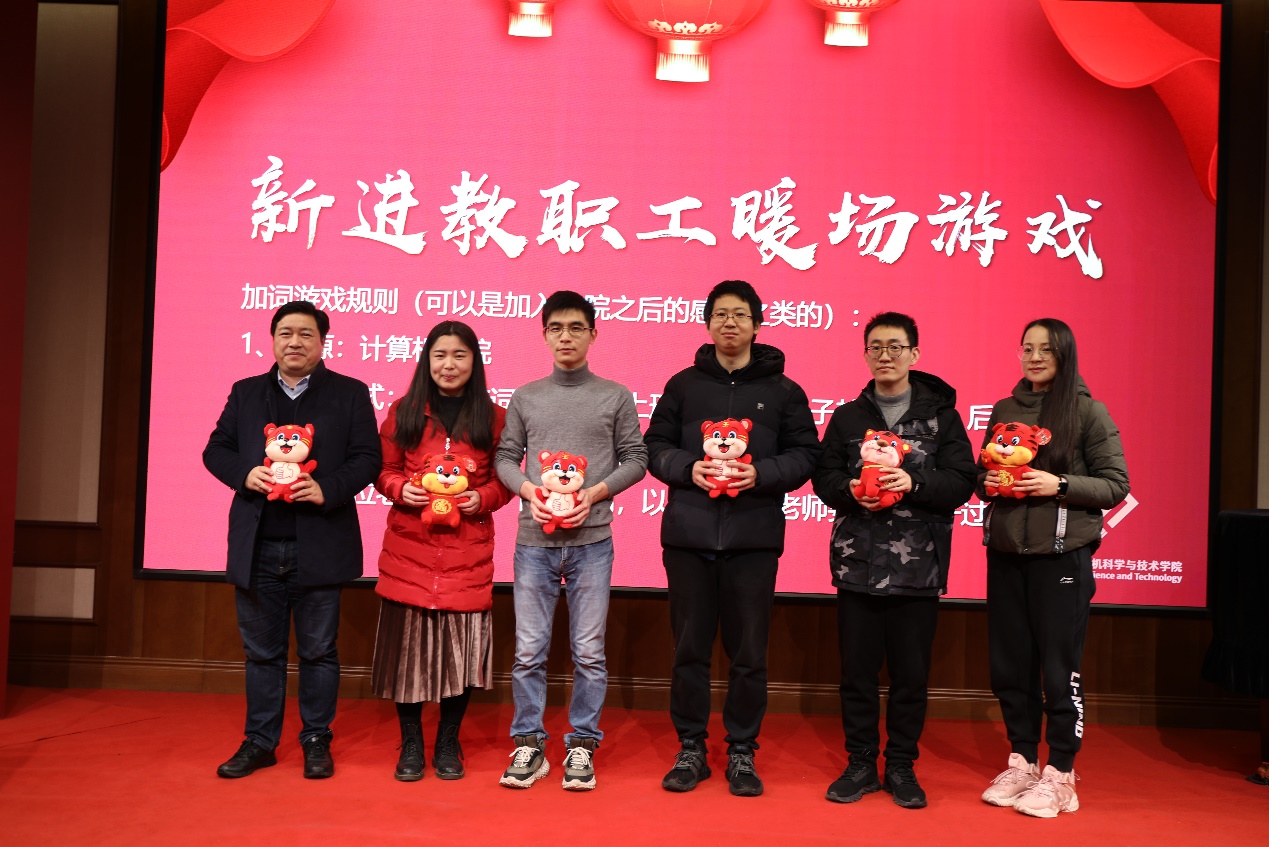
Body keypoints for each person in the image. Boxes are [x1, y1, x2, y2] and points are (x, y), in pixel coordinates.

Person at [645, 280, 821, 797]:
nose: (730, 323)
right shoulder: (683, 385)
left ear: (757, 324)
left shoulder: (784, 391)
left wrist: (761, 474)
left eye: (740, 315)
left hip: (753, 538)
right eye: (720, 314)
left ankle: (742, 750)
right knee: (689, 650)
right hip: (689, 536)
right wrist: (688, 467)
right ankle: (691, 748)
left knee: (749, 654)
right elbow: (654, 446)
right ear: (707, 323)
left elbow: (807, 454)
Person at [203, 300, 381, 779]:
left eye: (306, 334)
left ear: (323, 342)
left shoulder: (349, 392)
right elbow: (215, 450)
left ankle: (316, 739)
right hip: (258, 544)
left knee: (319, 651)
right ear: (273, 340)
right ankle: (260, 742)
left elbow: (368, 458)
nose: (295, 342)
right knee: (261, 653)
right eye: (285, 333)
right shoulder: (246, 392)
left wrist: (328, 488)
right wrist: (245, 473)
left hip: (319, 543)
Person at [811, 312, 976, 809]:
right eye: (876, 347)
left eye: (895, 346)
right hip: (856, 563)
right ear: (866, 355)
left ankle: (901, 765)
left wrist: (915, 482)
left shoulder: (942, 417)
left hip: (918, 567)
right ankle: (861, 763)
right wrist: (848, 489)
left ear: (914, 354)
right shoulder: (848, 417)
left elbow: (963, 480)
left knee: (909, 675)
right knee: (856, 674)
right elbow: (823, 477)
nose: (885, 355)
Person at [493, 290, 648, 791]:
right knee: (528, 650)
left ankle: (582, 744)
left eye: (576, 327)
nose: (566, 336)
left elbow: (636, 458)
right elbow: (505, 458)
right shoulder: (526, 396)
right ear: (544, 335)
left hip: (593, 541)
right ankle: (529, 743)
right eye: (556, 328)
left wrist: (594, 493)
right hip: (533, 541)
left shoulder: (615, 395)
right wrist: (530, 492)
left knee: (589, 651)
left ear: (593, 334)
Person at [977, 318, 1129, 818]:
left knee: (1059, 669)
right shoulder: (1004, 409)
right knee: (1010, 666)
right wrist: (988, 483)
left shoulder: (1088, 411)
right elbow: (984, 473)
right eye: (1027, 348)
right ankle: (1022, 762)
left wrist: (1058, 484)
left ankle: (1061, 773)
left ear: (1065, 354)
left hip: (1062, 558)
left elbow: (1115, 484)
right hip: (1006, 555)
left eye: (1046, 349)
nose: (1035, 357)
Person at [371, 320, 513, 781]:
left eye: (459, 355)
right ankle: (412, 742)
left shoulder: (494, 418)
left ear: (475, 361)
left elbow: (505, 480)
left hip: (466, 554)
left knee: (460, 654)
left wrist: (483, 497)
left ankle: (448, 741)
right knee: (406, 655)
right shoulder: (404, 411)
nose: (448, 364)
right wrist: (399, 488)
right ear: (426, 360)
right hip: (409, 551)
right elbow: (382, 469)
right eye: (440, 355)